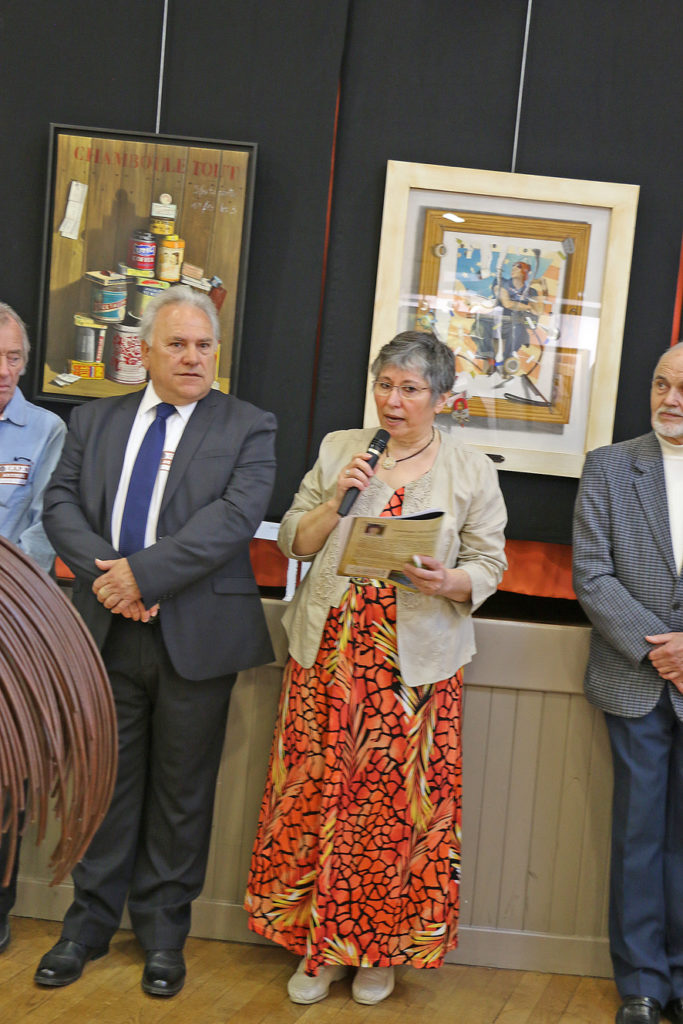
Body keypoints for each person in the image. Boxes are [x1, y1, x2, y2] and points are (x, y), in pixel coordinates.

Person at [245, 330, 507, 1005]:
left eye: (410, 389)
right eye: (385, 385)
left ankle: (375, 953)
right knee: (314, 799)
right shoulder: (341, 449)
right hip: (327, 656)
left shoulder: (470, 469)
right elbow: (292, 541)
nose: (393, 400)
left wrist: (448, 581)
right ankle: (318, 951)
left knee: (390, 814)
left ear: (440, 398)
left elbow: (489, 564)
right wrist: (335, 501)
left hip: (412, 669)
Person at [34, 285, 277, 997]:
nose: (194, 357)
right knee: (104, 784)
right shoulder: (94, 419)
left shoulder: (248, 425)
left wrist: (140, 576)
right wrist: (112, 580)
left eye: (204, 345)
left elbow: (233, 520)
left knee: (181, 794)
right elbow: (59, 503)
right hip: (105, 632)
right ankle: (86, 925)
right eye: (178, 344)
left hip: (196, 637)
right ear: (143, 351)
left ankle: (164, 935)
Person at [573, 341, 683, 1024]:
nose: (670, 399)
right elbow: (592, 575)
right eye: (661, 384)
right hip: (633, 679)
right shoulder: (609, 467)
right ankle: (643, 983)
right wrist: (665, 653)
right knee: (638, 834)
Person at [0, 302, 66, 954]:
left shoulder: (46, 429)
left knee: (2, 773)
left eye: (14, 357)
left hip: (9, 627)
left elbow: (45, 527)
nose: (4, 369)